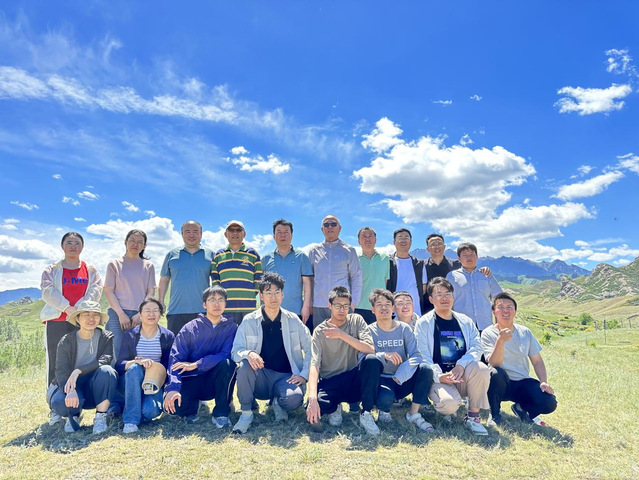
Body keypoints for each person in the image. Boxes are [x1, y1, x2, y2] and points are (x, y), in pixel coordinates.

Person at [231, 272, 312, 433]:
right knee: (244, 365)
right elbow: (235, 351)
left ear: (282, 295)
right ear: (261, 296)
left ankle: (277, 402)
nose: (273, 297)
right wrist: (248, 353)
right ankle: (246, 414)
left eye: (277, 292)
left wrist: (304, 375)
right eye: (268, 293)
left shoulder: (293, 320)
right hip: (260, 377)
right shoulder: (249, 320)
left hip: (286, 377)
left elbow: (311, 349)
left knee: (294, 400)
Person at [414, 277, 491, 436]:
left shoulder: (465, 321)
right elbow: (423, 355)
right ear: (431, 299)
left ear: (453, 297)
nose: (444, 298)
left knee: (482, 369)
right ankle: (449, 403)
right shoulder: (424, 323)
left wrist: (461, 365)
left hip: (462, 376)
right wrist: (439, 376)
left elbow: (477, 347)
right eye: (439, 294)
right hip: (439, 379)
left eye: (448, 293)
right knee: (448, 406)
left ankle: (473, 416)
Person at [40, 232, 103, 425]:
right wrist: (68, 308)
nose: (73, 246)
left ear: (82, 247)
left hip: (81, 320)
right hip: (57, 320)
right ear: (62, 246)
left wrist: (80, 310)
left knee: (80, 360)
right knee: (55, 363)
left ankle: (76, 405)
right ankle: (55, 408)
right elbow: (47, 291)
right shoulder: (52, 269)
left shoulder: (90, 270)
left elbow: (96, 289)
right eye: (69, 243)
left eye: (77, 243)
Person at [305, 286, 382, 435]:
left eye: (346, 306)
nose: (342, 310)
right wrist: (312, 397)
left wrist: (341, 334)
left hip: (353, 377)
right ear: (329, 305)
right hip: (331, 380)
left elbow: (370, 349)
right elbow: (314, 364)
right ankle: (335, 407)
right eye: (338, 306)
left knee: (372, 360)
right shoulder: (320, 331)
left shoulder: (356, 320)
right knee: (315, 404)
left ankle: (366, 413)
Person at [163, 286, 238, 427]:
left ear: (225, 304)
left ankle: (221, 413)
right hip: (192, 379)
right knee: (175, 408)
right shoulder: (190, 328)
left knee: (228, 364)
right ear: (204, 304)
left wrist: (197, 364)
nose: (216, 304)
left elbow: (226, 354)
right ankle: (192, 405)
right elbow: (176, 358)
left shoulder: (231, 327)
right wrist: (173, 388)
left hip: (215, 380)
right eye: (212, 300)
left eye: (220, 300)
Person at [482, 293, 557, 426]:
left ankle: (520, 408)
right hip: (500, 383)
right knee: (495, 373)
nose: (505, 311)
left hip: (522, 382)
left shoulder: (525, 332)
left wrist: (543, 382)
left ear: (515, 312)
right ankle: (494, 414)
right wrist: (500, 340)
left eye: (509, 307)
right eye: (501, 307)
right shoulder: (488, 333)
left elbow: (537, 361)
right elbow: (494, 363)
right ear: (494, 312)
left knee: (549, 402)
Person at [367, 289, 434, 432]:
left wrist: (402, 373)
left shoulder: (404, 328)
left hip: (402, 378)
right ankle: (384, 409)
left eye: (387, 304)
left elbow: (416, 355)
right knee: (385, 399)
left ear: (393, 308)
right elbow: (363, 358)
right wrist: (383, 355)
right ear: (372, 309)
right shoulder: (369, 331)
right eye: (379, 305)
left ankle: (414, 413)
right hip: (383, 379)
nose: (384, 308)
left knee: (425, 369)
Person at [48, 300, 117, 435]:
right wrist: (70, 390)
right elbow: (61, 370)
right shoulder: (67, 341)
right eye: (86, 315)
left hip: (95, 386)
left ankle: (101, 416)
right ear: (78, 319)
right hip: (73, 385)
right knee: (60, 403)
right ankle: (73, 415)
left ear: (100, 318)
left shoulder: (106, 337)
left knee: (107, 371)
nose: (91, 319)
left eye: (95, 315)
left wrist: (78, 371)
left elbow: (105, 360)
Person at [116, 298, 175, 433]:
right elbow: (119, 364)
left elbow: (169, 365)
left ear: (160, 314)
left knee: (150, 412)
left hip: (153, 382)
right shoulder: (130, 335)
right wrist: (136, 362)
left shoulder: (168, 336)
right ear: (140, 315)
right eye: (147, 311)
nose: (151, 314)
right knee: (135, 369)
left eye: (155, 311)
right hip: (130, 380)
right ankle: (130, 420)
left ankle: (135, 406)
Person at [104, 229, 156, 364]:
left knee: (137, 354)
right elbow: (109, 291)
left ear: (144, 246)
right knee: (115, 353)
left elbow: (150, 292)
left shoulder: (148, 266)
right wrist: (121, 314)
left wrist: (141, 313)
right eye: (132, 240)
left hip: (140, 315)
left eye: (140, 242)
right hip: (116, 314)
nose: (135, 244)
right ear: (125, 242)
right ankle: (113, 378)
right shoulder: (114, 264)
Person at [158, 220, 215, 335]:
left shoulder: (211, 255)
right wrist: (161, 301)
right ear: (182, 234)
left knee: (202, 345)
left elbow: (216, 281)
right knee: (176, 345)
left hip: (203, 311)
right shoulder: (171, 254)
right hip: (176, 311)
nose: (191, 235)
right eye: (187, 232)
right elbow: (164, 279)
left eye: (195, 232)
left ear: (201, 234)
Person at [308, 215, 362, 329]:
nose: (330, 227)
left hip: (342, 305)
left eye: (333, 224)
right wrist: (310, 302)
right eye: (326, 224)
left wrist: (353, 303)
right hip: (319, 305)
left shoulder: (349, 250)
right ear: (322, 229)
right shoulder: (314, 251)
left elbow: (356, 277)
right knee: (320, 337)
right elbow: (310, 280)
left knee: (344, 337)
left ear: (339, 228)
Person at [261, 219, 313, 325]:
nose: (283, 235)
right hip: (271, 313)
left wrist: (306, 307)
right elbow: (261, 287)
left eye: (286, 232)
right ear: (273, 236)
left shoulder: (301, 257)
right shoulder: (266, 259)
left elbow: (307, 284)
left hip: (296, 311)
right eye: (279, 232)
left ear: (292, 235)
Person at [211, 220, 262, 325]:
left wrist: (250, 295)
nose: (235, 233)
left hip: (248, 309)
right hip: (226, 309)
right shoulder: (218, 255)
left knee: (249, 335)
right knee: (228, 335)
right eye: (231, 230)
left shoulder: (253, 254)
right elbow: (215, 281)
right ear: (226, 234)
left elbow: (259, 279)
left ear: (244, 234)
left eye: (238, 230)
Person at [423, 234, 491, 313]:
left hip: (454, 310)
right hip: (428, 309)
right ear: (427, 249)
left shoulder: (457, 264)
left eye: (439, 243)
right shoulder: (422, 266)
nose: (437, 246)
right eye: (433, 244)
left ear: (444, 246)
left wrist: (483, 270)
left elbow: (471, 272)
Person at [446, 243, 502, 332]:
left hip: (485, 325)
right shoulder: (452, 276)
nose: (469, 258)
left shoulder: (486, 275)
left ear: (477, 257)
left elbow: (499, 298)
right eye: (465, 255)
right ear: (459, 258)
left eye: (472, 255)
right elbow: (447, 300)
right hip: (462, 325)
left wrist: (499, 323)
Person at [387, 228, 427, 317]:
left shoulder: (419, 263)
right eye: (400, 237)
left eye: (406, 237)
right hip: (394, 312)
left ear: (411, 241)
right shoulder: (388, 263)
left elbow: (423, 288)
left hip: (416, 312)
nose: (403, 240)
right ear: (394, 241)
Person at [355, 227, 390, 325]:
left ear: (375, 240)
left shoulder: (385, 258)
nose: (367, 239)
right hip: (358, 307)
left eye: (370, 236)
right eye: (364, 236)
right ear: (358, 241)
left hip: (379, 307)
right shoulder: (354, 259)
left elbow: (385, 281)